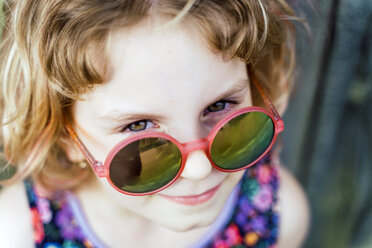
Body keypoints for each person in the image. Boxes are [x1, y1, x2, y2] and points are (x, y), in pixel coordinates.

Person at [0, 0, 310, 247]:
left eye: (220, 106)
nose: (199, 168)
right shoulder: (17, 235)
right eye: (139, 127)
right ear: (66, 137)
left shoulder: (279, 217)